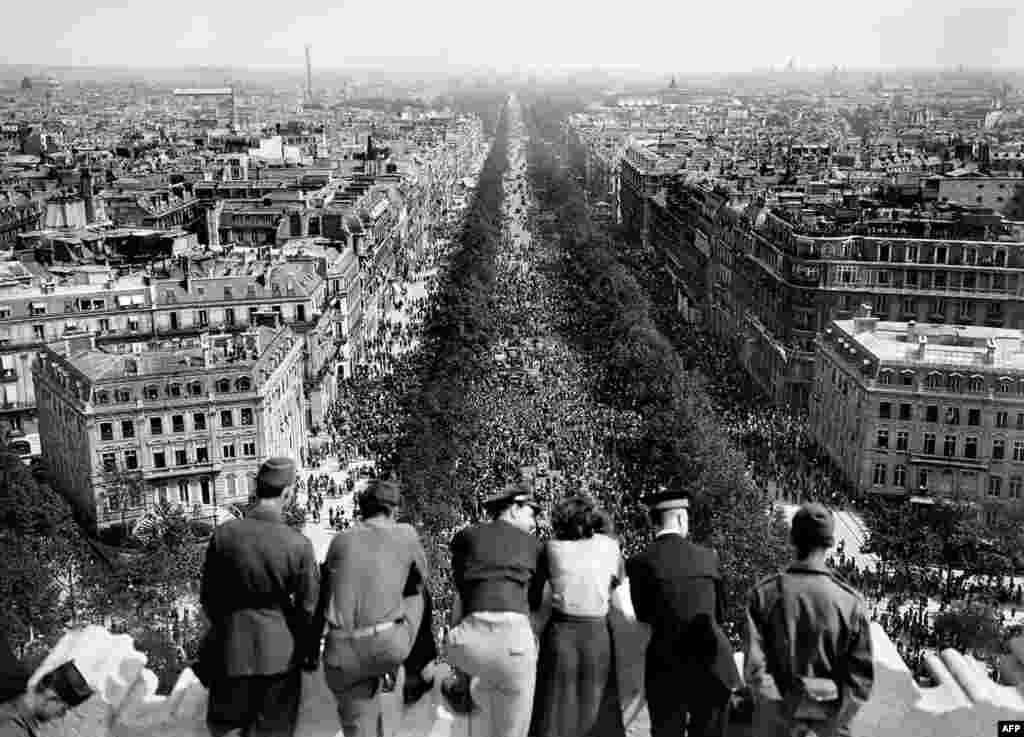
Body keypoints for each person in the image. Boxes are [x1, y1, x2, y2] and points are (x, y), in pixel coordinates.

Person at [200, 457, 320, 737]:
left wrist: (229, 628)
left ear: (256, 488)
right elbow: (308, 609)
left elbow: (208, 597)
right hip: (278, 658)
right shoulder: (297, 544)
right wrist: (305, 649)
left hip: (229, 653)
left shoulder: (224, 534)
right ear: (288, 493)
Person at [744, 503, 874, 737]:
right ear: (830, 544)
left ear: (792, 539)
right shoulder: (850, 602)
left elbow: (755, 671)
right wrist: (822, 727)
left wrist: (786, 721)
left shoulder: (764, 595)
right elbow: (860, 682)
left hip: (775, 730)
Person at [317, 479, 429, 737]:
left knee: (360, 728)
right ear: (393, 511)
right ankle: (417, 670)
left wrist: (312, 650)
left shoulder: (339, 541)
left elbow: (323, 595)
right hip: (387, 647)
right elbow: (421, 579)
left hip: (341, 653)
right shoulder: (406, 533)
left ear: (362, 510)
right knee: (418, 593)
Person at [626, 487, 740, 737]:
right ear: (680, 518)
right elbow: (720, 613)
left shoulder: (638, 563)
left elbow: (641, 616)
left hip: (666, 667)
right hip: (711, 663)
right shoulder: (708, 557)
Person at [446, 482, 544, 737]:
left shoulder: (465, 536)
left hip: (466, 645)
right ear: (514, 508)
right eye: (531, 513)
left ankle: (462, 682)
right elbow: (535, 604)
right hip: (513, 648)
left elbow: (462, 592)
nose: (534, 522)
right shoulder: (534, 545)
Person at [531, 495, 625, 737]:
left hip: (561, 634)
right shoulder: (611, 546)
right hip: (598, 635)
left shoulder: (550, 548)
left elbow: (536, 597)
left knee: (554, 712)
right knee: (598, 710)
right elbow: (618, 590)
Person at [0, 660, 92, 737]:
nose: (62, 715)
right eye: (63, 709)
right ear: (51, 696)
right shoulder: (12, 729)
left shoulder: (12, 714)